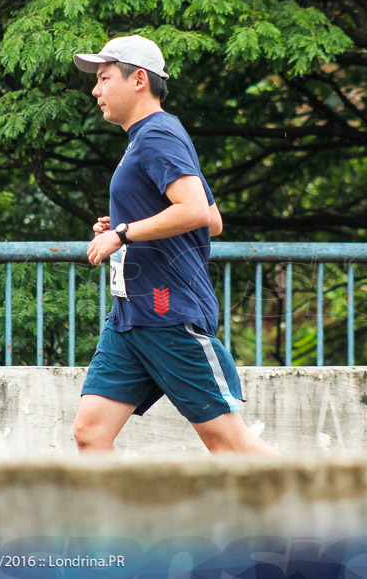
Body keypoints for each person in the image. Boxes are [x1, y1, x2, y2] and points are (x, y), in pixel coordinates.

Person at [71, 34, 280, 455]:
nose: (95, 90)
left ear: (139, 80)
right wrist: (131, 220)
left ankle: (320, 506)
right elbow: (212, 218)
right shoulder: (149, 137)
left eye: (104, 77)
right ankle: (114, 524)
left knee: (229, 443)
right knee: (90, 433)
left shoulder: (158, 134)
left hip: (167, 310)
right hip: (131, 315)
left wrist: (123, 233)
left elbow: (199, 213)